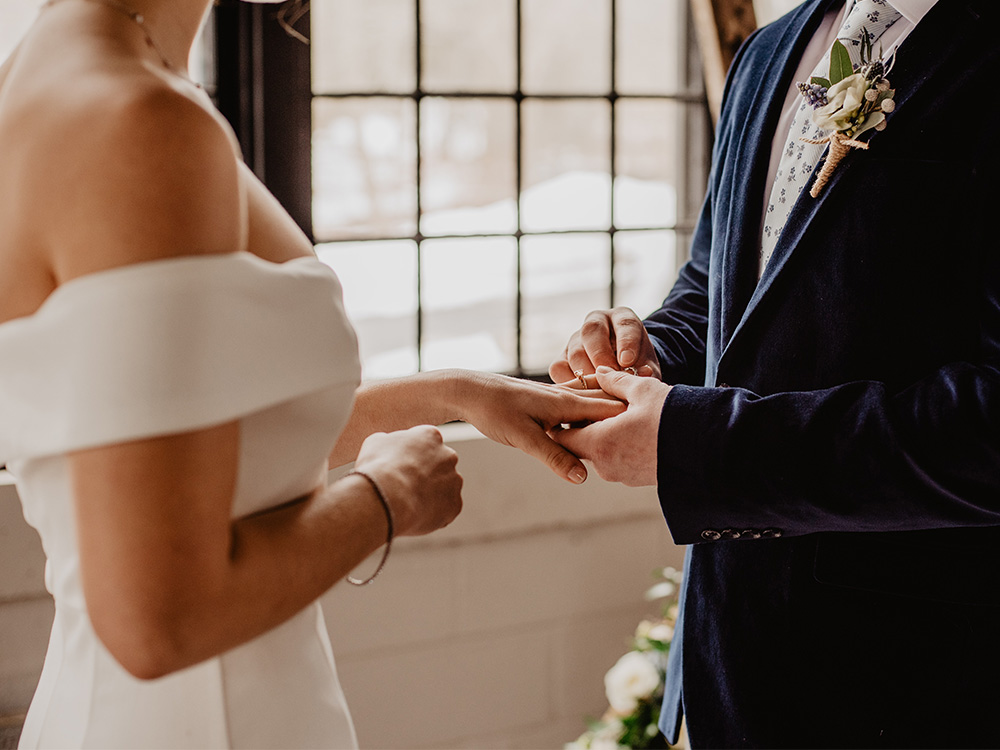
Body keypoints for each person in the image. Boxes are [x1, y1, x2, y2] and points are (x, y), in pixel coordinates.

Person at [0, 0, 623, 747]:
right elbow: (159, 620)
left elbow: (207, 453)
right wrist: (390, 496)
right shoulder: (137, 120)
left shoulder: (76, 67)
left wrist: (453, 393)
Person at [550, 0, 1000, 746]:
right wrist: (648, 349)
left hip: (914, 687)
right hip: (726, 668)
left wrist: (697, 446)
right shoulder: (766, 53)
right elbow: (721, 285)